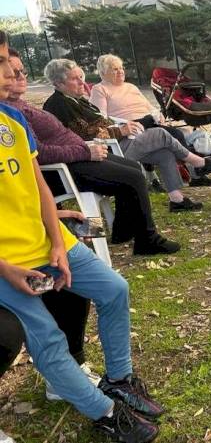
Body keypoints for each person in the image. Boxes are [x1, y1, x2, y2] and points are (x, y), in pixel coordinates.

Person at [0, 30, 162, 442]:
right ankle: (105, 413)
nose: (8, 73)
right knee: (48, 341)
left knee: (115, 288)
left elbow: (37, 186)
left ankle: (119, 380)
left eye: (8, 61)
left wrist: (58, 240)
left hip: (45, 240)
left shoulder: (13, 119)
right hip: (8, 264)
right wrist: (5, 268)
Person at [3, 51, 180, 254]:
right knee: (134, 177)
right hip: (66, 170)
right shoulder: (12, 112)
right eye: (14, 72)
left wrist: (86, 149)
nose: (21, 77)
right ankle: (146, 239)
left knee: (132, 168)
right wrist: (84, 152)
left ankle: (122, 231)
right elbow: (39, 153)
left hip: (80, 157)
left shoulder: (20, 104)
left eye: (22, 71)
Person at [42, 59, 211, 212]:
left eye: (81, 77)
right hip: (107, 152)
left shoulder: (75, 99)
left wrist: (126, 125)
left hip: (120, 141)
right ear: (58, 83)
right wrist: (120, 130)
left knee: (164, 152)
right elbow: (83, 135)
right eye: (75, 79)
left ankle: (176, 200)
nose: (82, 83)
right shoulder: (60, 104)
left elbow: (101, 120)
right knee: (161, 134)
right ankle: (197, 163)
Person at [0, 210, 100, 405]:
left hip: (16, 238)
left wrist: (49, 218)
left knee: (68, 271)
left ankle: (67, 373)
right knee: (6, 335)